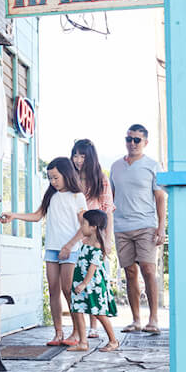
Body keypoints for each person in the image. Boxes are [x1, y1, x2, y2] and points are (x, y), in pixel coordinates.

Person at [0, 157, 86, 346]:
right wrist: (14, 215)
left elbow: (84, 227)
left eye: (56, 177)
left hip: (70, 250)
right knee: (54, 290)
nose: (53, 182)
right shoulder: (51, 195)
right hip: (52, 250)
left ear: (67, 174)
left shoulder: (77, 196)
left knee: (68, 290)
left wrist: (69, 246)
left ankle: (78, 332)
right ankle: (58, 332)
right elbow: (37, 216)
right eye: (50, 178)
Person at [110, 124, 166, 335]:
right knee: (130, 272)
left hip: (145, 225)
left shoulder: (152, 165)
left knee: (148, 269)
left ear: (145, 143)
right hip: (121, 226)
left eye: (137, 140)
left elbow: (160, 197)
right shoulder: (115, 166)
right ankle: (136, 320)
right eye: (129, 139)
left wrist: (161, 227)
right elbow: (111, 198)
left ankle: (153, 319)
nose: (132, 143)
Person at [71, 138, 115, 339]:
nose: (78, 160)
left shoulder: (101, 179)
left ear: (90, 157)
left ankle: (94, 326)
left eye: (82, 156)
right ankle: (78, 327)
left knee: (94, 279)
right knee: (78, 278)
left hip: (94, 234)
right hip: (73, 232)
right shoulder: (70, 178)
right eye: (76, 155)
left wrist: (107, 240)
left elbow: (108, 211)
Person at [69, 210, 120, 353]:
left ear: (94, 227)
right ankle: (83, 342)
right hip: (79, 281)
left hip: (93, 285)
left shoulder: (97, 245)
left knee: (98, 313)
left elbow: (93, 267)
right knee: (77, 309)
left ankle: (113, 341)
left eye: (84, 224)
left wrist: (84, 283)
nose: (81, 227)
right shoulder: (84, 242)